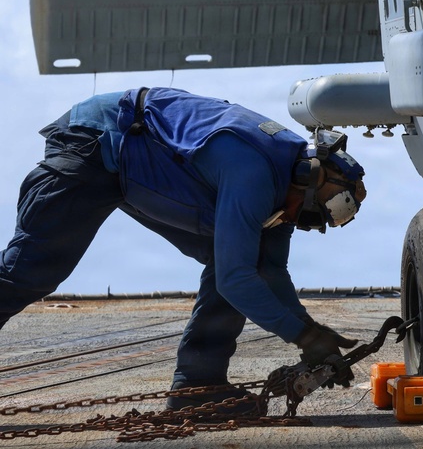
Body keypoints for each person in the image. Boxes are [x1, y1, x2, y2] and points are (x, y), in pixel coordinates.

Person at [0, 87, 367, 412]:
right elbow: (235, 280)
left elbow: (267, 270)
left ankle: (197, 385)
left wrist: (310, 331)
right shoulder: (253, 172)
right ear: (309, 178)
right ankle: (197, 382)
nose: (291, 221)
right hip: (95, 143)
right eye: (301, 214)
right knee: (26, 273)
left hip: (136, 161)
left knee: (245, 256)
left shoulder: (286, 178)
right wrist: (305, 337)